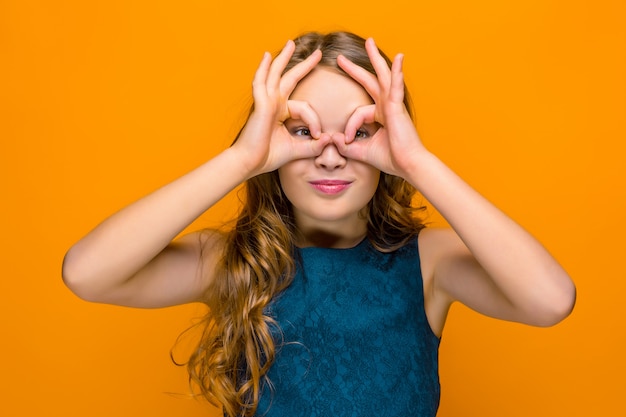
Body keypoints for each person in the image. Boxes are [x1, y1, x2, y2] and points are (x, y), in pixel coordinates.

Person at [62, 31, 576, 417]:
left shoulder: (430, 263)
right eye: (303, 131)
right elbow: (87, 272)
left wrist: (418, 162)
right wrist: (242, 159)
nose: (329, 156)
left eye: (360, 130)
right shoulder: (232, 262)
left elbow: (550, 299)